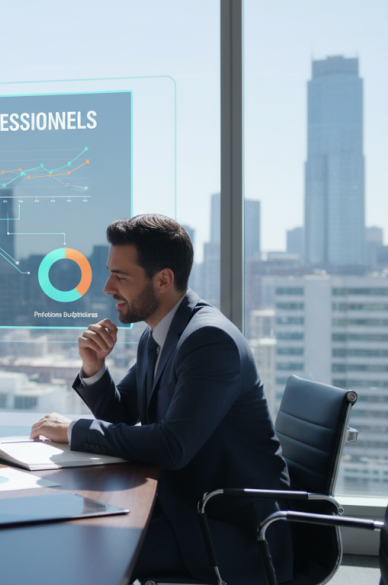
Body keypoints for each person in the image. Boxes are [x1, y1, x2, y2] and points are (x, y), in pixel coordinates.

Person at [29, 214, 292, 584]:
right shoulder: (159, 334)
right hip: (182, 505)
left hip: (229, 530)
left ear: (163, 280)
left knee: (82, 551)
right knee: (69, 529)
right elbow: (124, 413)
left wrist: (75, 430)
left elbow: (172, 446)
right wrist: (94, 368)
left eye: (120, 276)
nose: (107, 288)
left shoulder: (208, 341)